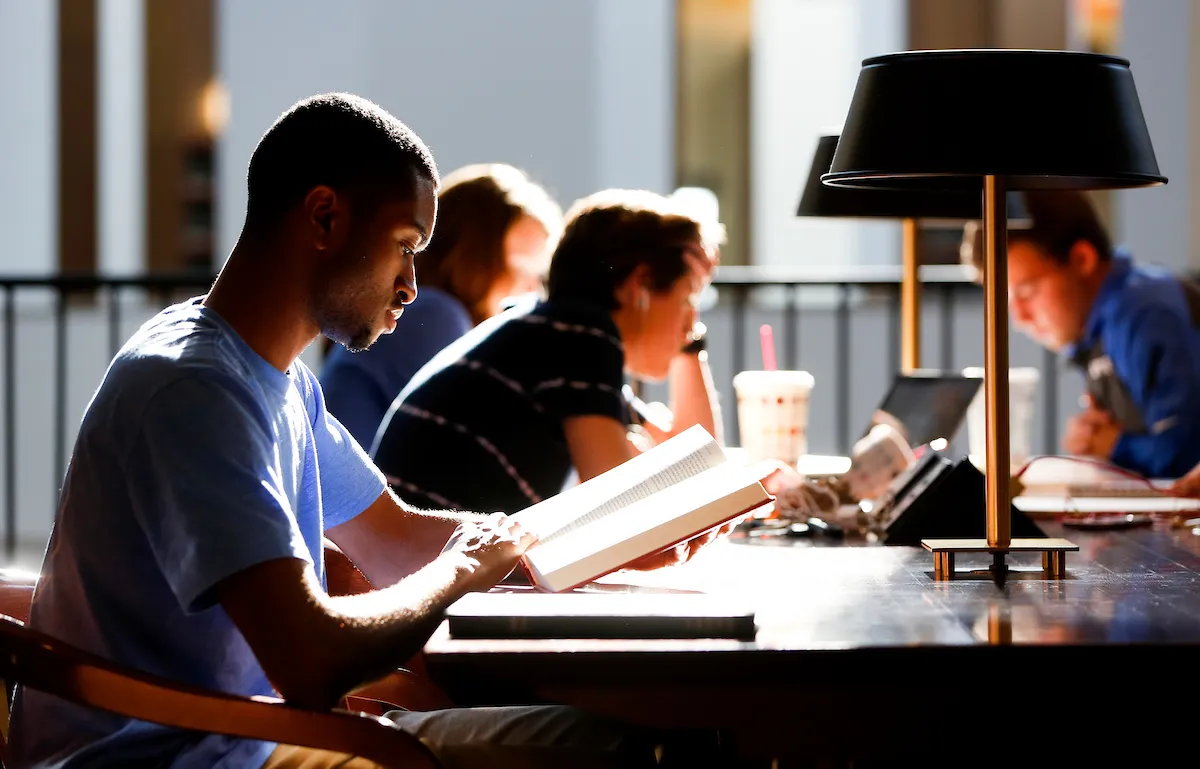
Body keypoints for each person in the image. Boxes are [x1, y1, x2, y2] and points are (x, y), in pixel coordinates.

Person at [9, 93, 726, 769]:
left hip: (248, 736)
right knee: (631, 752)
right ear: (323, 218)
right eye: (405, 245)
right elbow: (312, 660)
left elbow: (397, 538)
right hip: (175, 757)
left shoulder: (279, 378)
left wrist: (595, 546)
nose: (413, 284)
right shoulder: (193, 388)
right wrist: (458, 575)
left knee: (627, 740)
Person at [371, 188, 726, 516]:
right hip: (425, 560)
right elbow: (624, 510)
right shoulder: (579, 334)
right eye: (688, 297)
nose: (691, 321)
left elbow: (696, 456)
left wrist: (690, 346)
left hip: (416, 553)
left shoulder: (552, 334)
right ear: (640, 286)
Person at [960, 190, 1200, 479]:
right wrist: (1096, 441)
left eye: (1027, 292)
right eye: (1008, 301)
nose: (1020, 318)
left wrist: (1114, 445)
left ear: (1081, 259)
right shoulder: (1099, 328)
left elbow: (1187, 459)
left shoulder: (1145, 313)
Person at [320, 163, 563, 448]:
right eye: (523, 264)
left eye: (539, 272)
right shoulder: (432, 314)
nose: (533, 288)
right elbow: (481, 442)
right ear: (475, 254)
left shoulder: (424, 313)